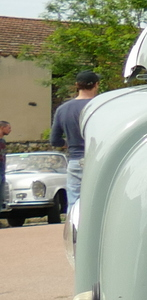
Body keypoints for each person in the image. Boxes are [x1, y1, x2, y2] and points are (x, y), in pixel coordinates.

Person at [49, 70, 99, 210]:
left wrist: (67, 144)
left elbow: (54, 140)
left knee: (74, 202)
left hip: (76, 160)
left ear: (77, 85)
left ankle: (75, 230)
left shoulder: (63, 109)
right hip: (98, 159)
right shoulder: (100, 106)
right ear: (96, 85)